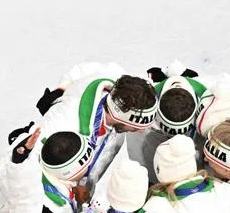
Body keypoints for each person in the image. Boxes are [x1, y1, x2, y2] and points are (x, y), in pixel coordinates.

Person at [35, 63, 158, 200]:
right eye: (136, 127)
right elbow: (29, 167)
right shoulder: (65, 121)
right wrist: (68, 186)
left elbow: (85, 69)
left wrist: (60, 87)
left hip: (81, 192)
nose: (142, 131)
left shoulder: (117, 88)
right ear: (122, 118)